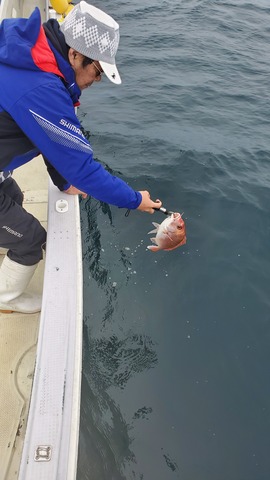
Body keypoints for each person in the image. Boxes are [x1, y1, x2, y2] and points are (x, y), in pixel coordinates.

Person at [0, 1, 162, 314]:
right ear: (74, 54)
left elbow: (48, 139)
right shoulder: (43, 89)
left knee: (15, 197)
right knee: (33, 238)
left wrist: (63, 180)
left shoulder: (31, 53)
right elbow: (85, 170)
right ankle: (6, 299)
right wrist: (135, 199)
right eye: (97, 72)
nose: (95, 82)